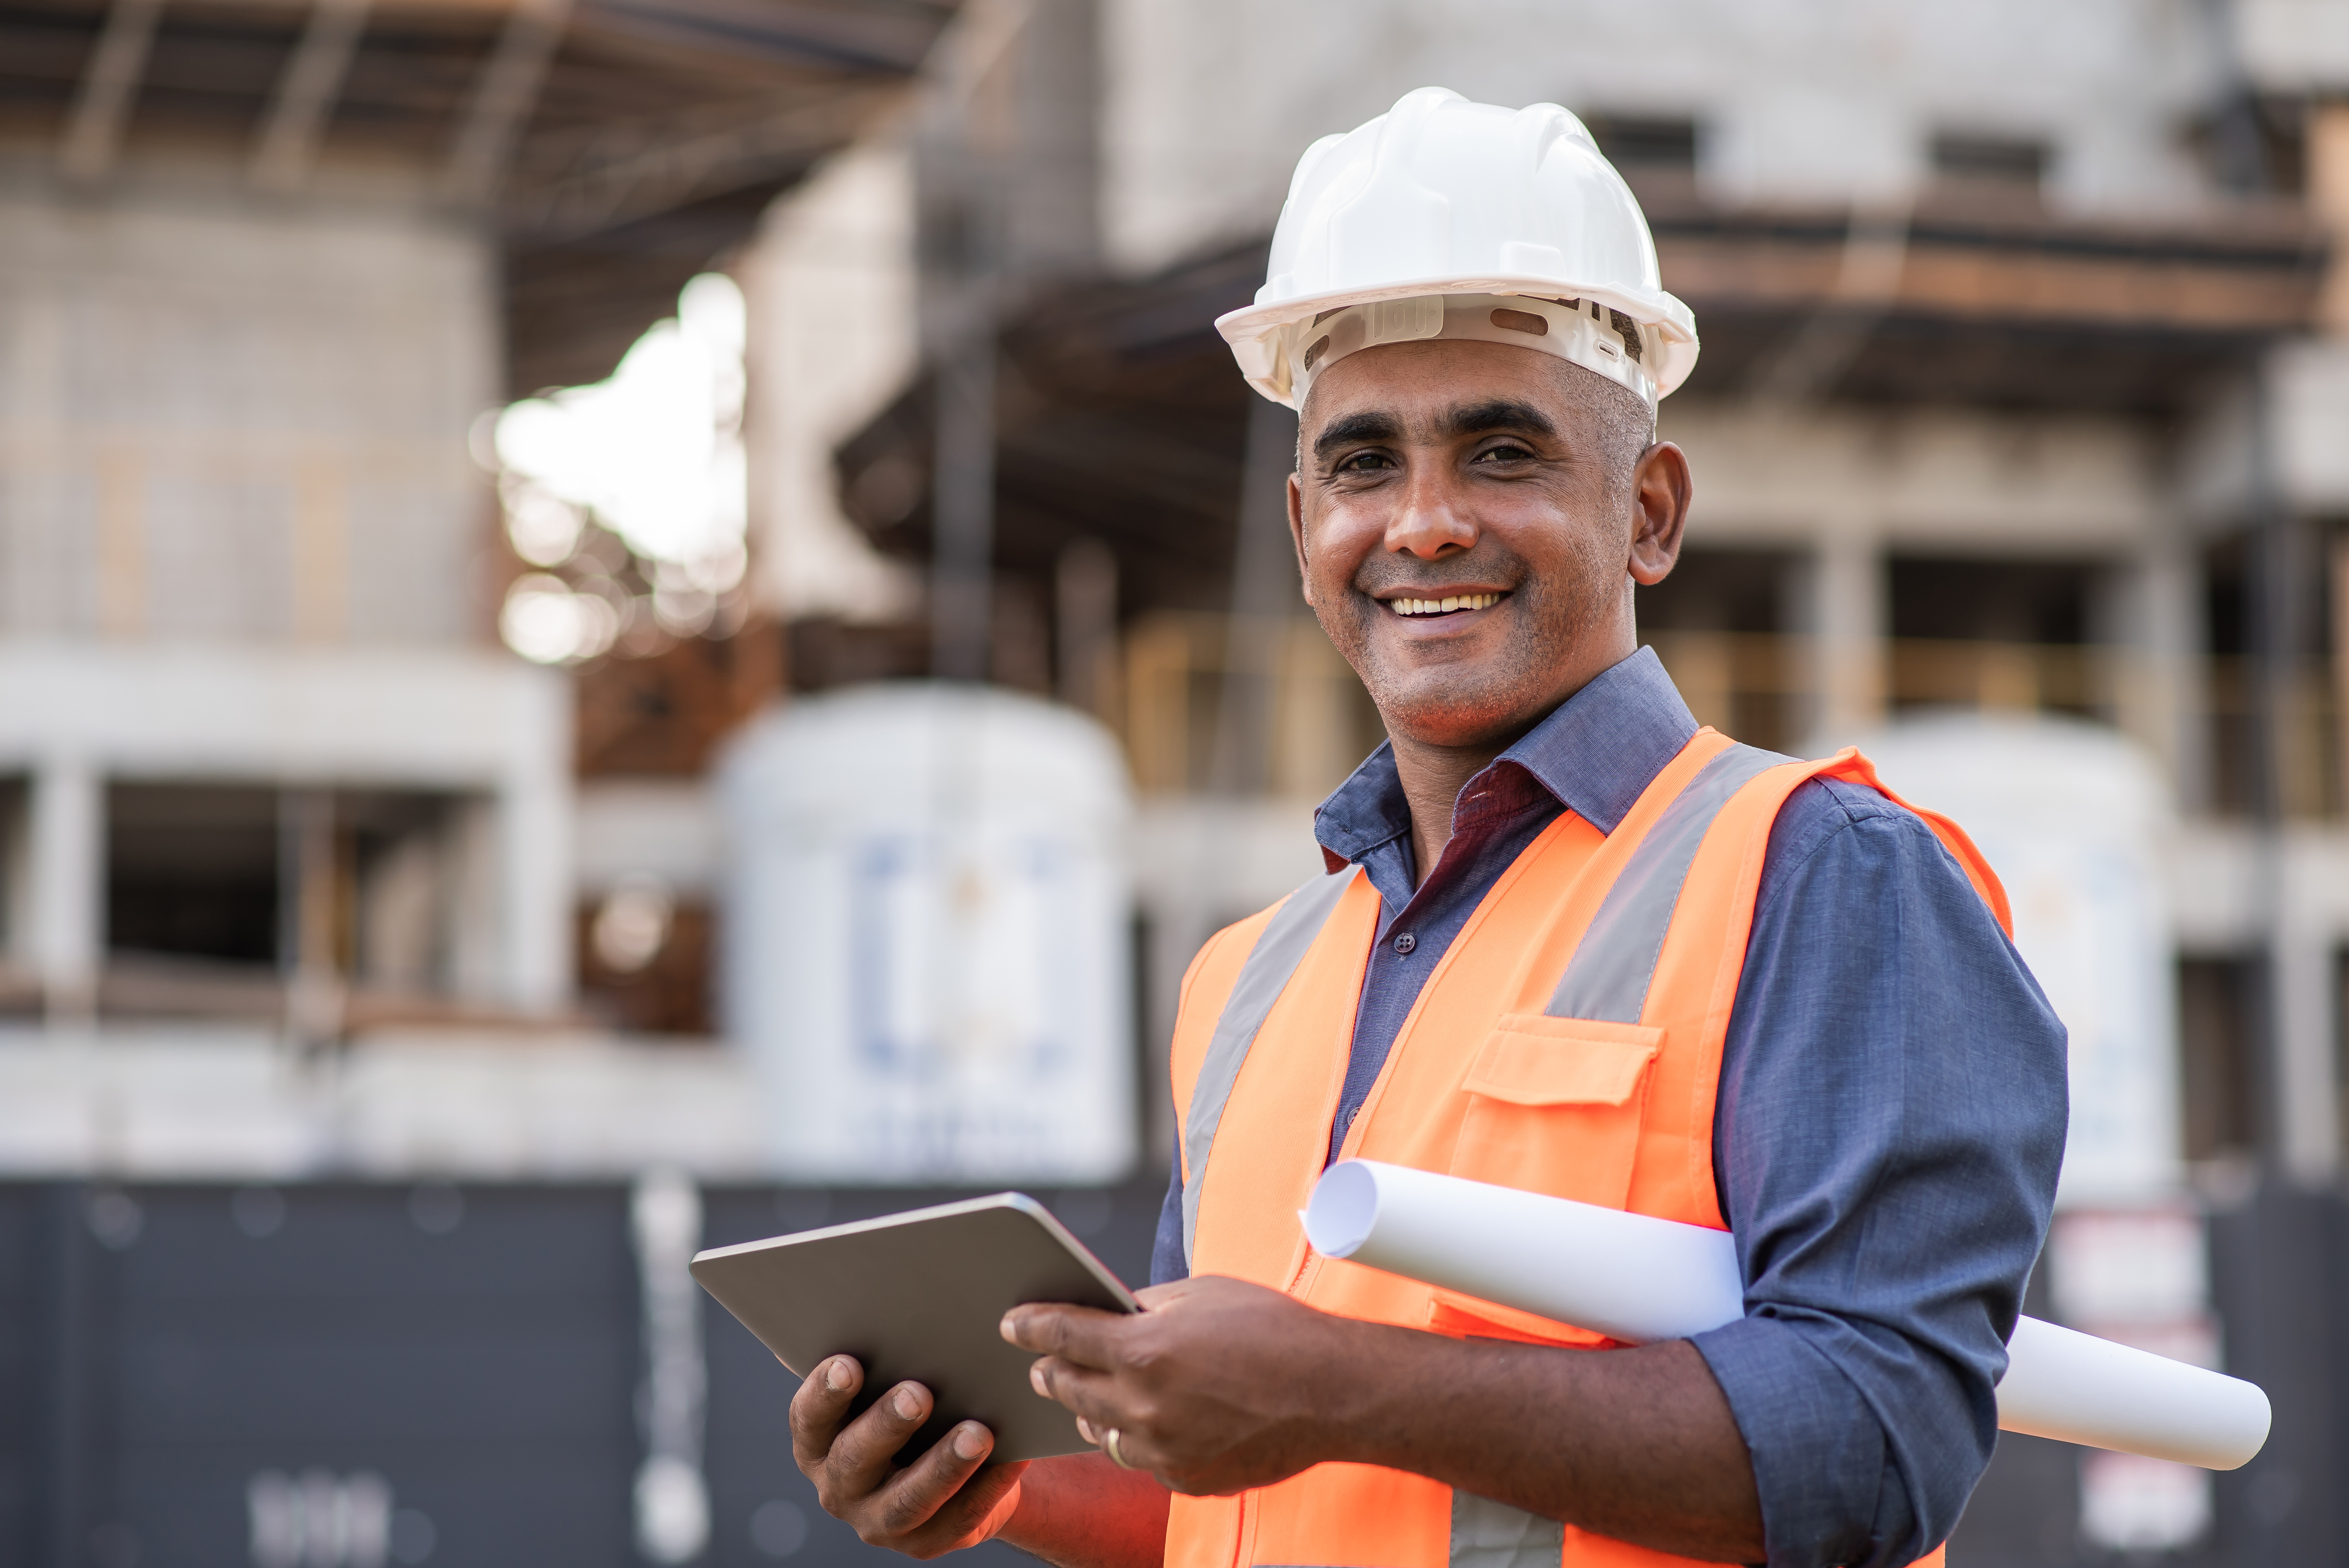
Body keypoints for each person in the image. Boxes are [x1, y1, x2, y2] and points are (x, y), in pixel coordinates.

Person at [787, 88, 2066, 1568]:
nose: (1426, 520)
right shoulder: (1246, 981)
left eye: (1504, 452)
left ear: (1649, 510)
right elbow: (1236, 1488)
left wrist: (1336, 1387)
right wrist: (991, 1481)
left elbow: (1879, 1431)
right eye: (1363, 461)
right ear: (1301, 527)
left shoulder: (1822, 875)